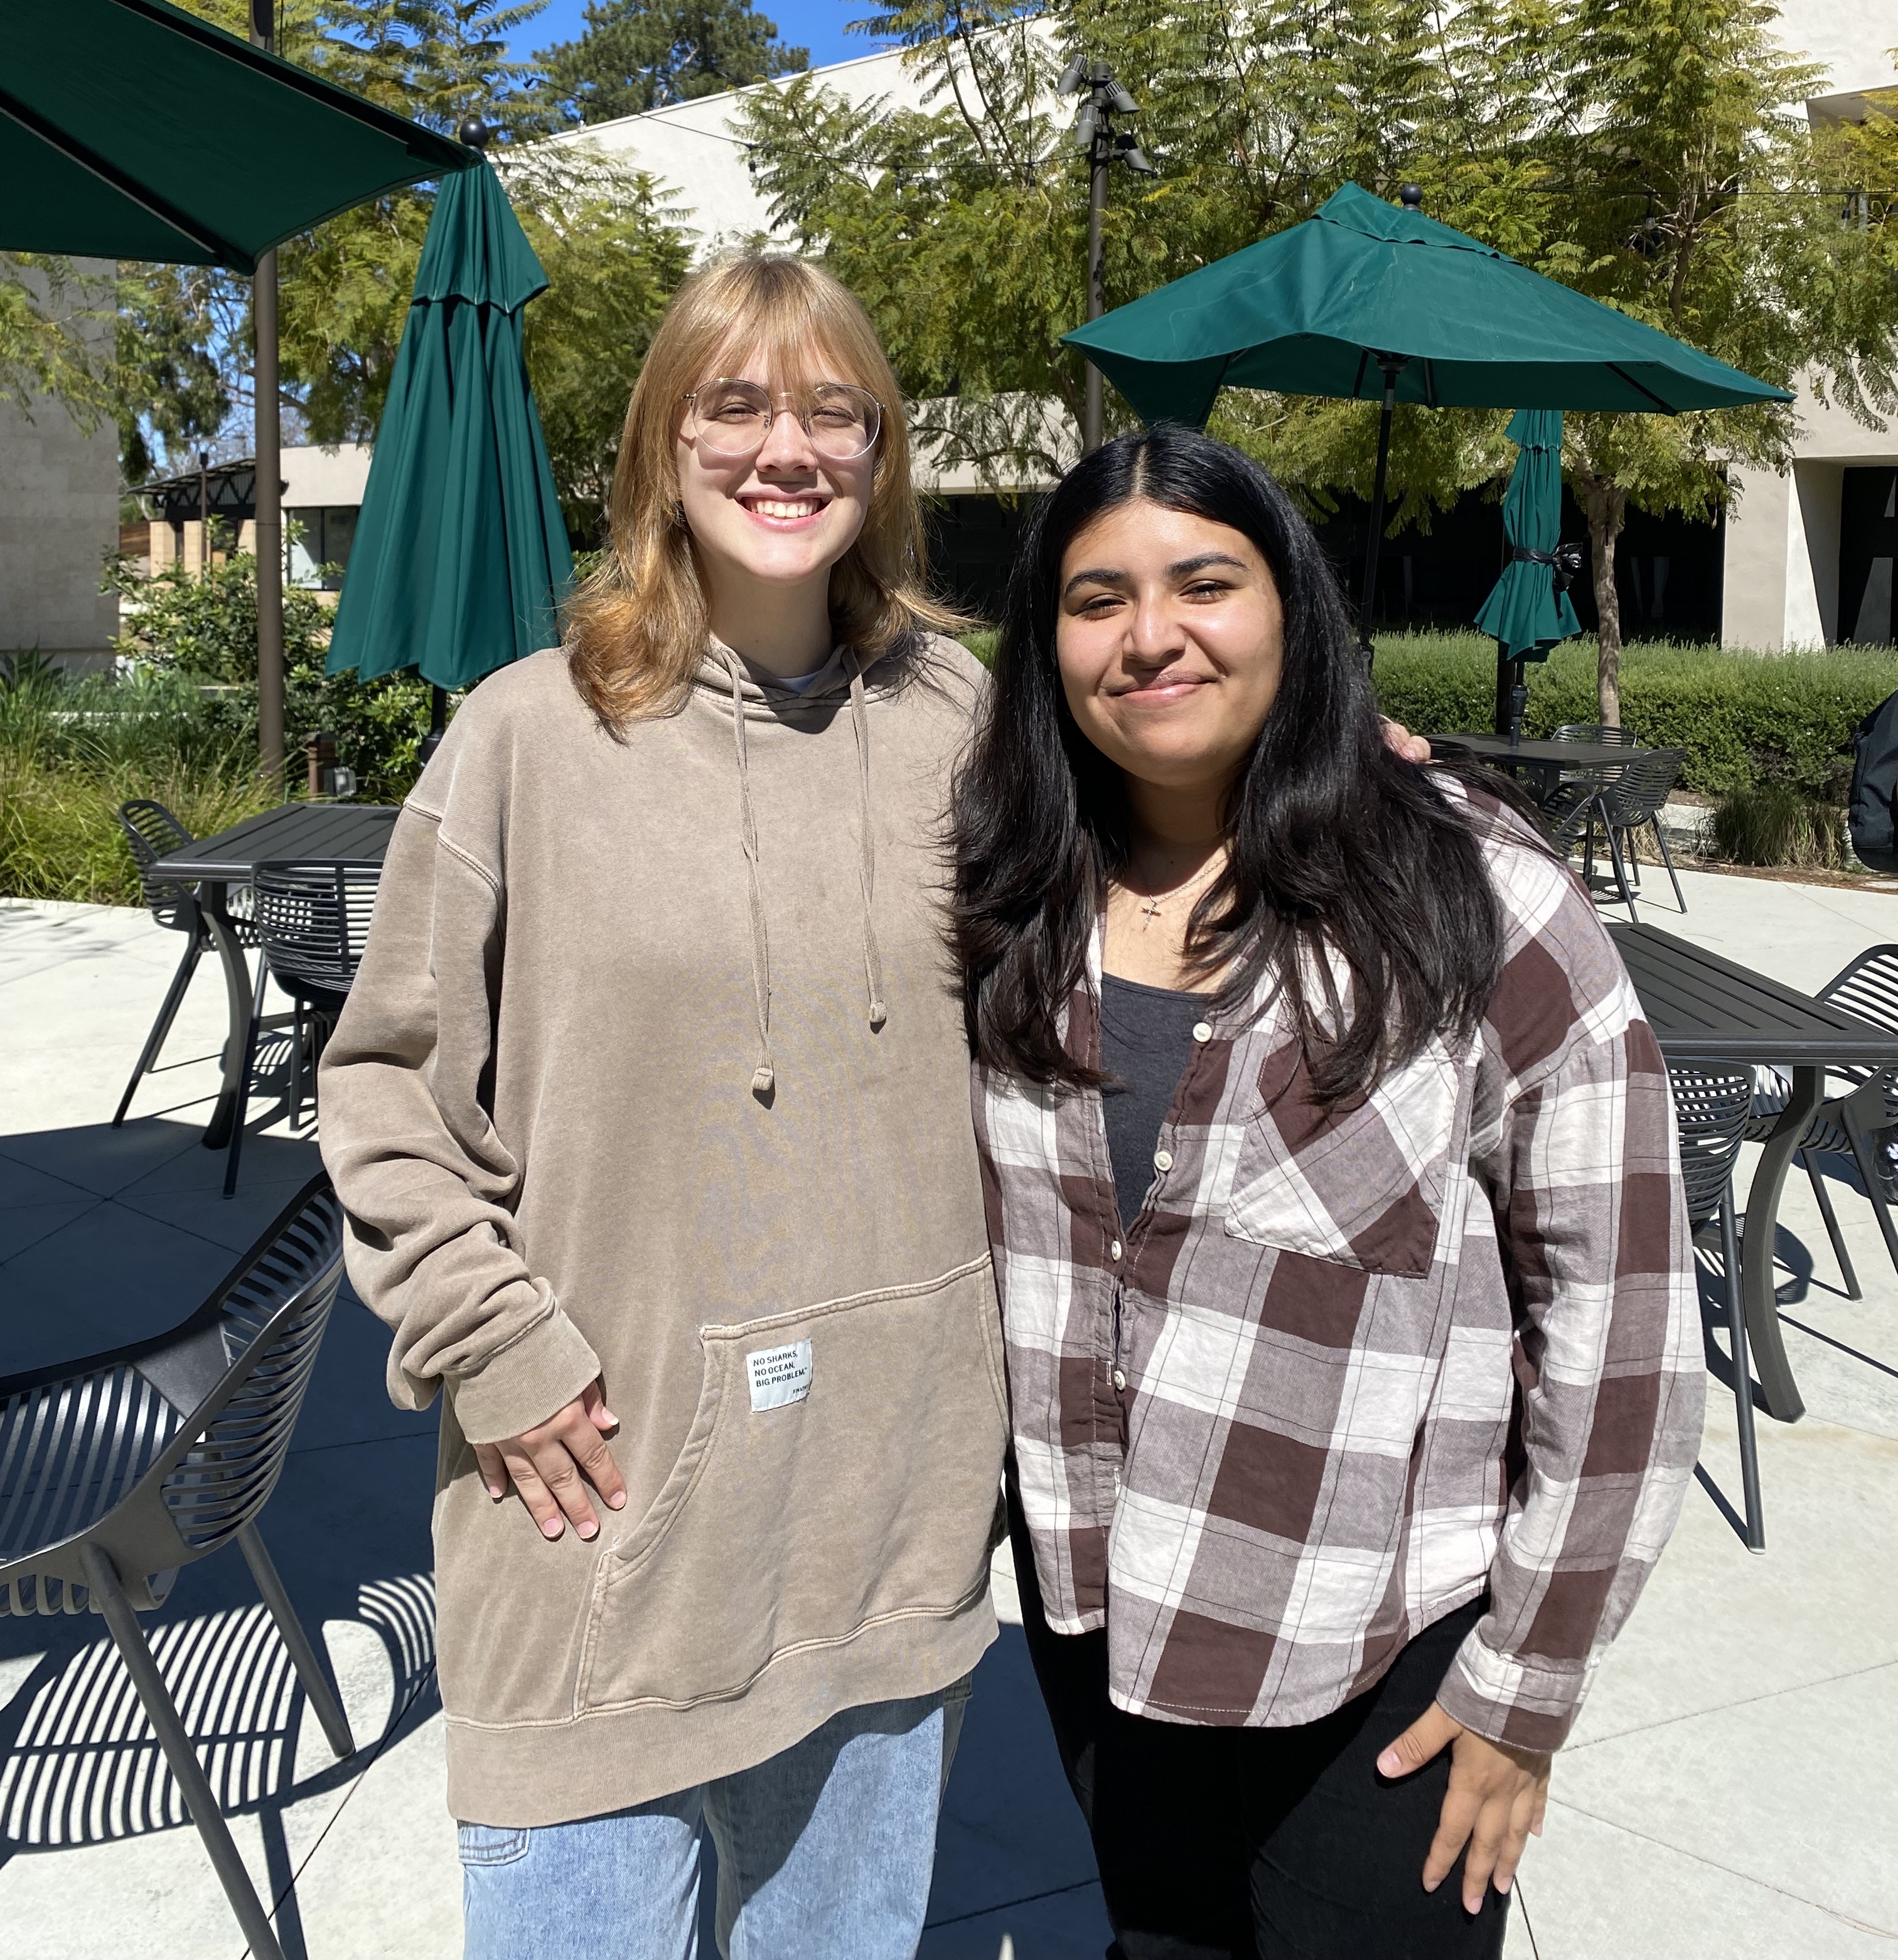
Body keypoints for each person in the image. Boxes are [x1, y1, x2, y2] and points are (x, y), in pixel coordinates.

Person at [319, 254, 1011, 1960]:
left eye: (834, 409)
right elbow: (385, 1081)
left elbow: (1147, 892)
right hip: (602, 1530)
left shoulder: (967, 721)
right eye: (738, 403)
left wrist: (1358, 786)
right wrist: (494, 1342)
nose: (790, 448)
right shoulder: (526, 735)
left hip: (885, 1525)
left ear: (884, 453)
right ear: (658, 448)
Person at [950, 425, 1705, 1960]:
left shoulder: (1473, 895)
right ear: (1047, 647)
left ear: (1291, 607)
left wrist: (1527, 1682)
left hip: (1379, 1646)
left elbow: (1622, 1331)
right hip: (1099, 1602)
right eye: (1096, 599)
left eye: (1204, 583)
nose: (1151, 635)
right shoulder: (1004, 897)